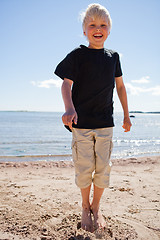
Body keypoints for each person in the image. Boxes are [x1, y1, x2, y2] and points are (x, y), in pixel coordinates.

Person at [54, 3, 132, 233]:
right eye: (92, 25)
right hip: (81, 125)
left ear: (109, 29)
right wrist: (69, 108)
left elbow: (120, 87)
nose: (98, 28)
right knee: (84, 169)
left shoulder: (113, 57)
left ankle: (96, 207)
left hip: (106, 123)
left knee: (103, 169)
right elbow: (66, 84)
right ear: (84, 30)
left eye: (103, 25)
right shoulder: (77, 55)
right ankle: (84, 206)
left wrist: (127, 115)